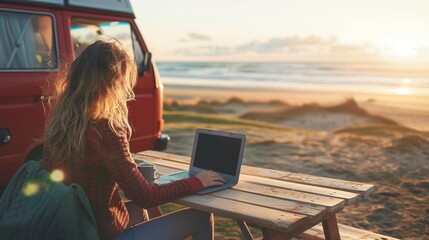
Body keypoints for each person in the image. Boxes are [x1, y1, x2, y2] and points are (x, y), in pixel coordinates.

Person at [42, 40, 225, 240]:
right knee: (201, 217)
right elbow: (146, 197)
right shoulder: (105, 130)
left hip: (72, 225)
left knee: (139, 211)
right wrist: (197, 182)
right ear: (113, 82)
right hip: (100, 233)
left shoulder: (61, 121)